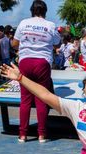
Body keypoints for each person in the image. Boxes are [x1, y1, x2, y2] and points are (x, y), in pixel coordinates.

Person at [11, 0, 60, 143]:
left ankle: (22, 135)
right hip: (42, 63)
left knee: (25, 99)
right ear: (45, 11)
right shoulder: (50, 25)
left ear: (32, 11)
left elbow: (14, 43)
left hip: (25, 62)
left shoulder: (23, 23)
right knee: (42, 98)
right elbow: (57, 43)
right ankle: (42, 135)